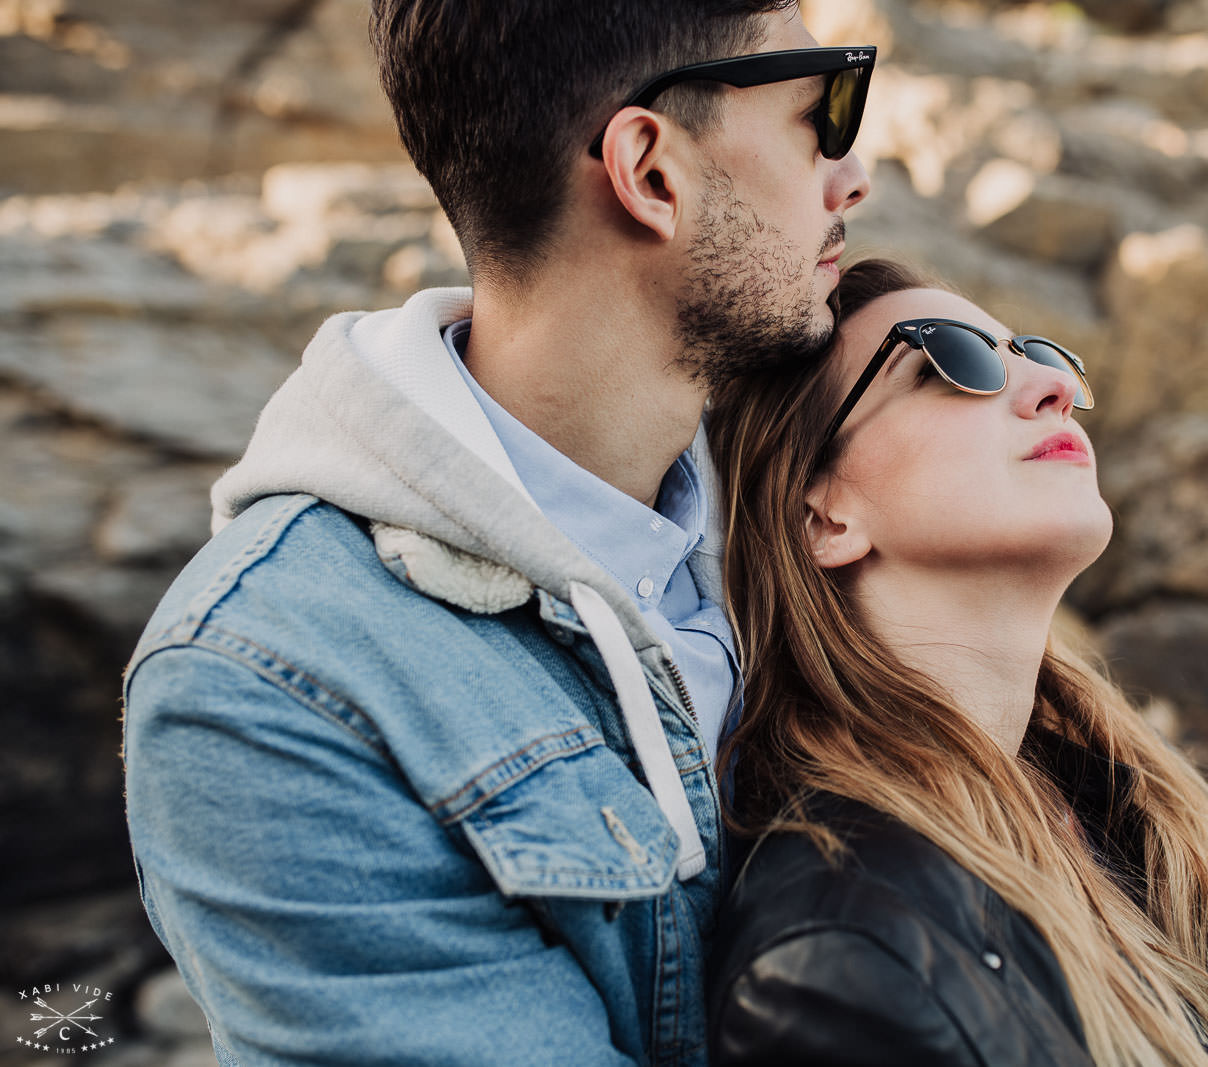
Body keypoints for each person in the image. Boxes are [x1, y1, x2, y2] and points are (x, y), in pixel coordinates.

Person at [121, 2, 871, 1063]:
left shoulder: (819, 507)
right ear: (651, 171)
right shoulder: (267, 683)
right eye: (821, 110)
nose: (852, 176)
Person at [703, 259, 1208, 1067]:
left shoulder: (1126, 831)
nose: (1048, 389)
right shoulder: (845, 957)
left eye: (1038, 354)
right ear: (824, 516)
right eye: (953, 359)